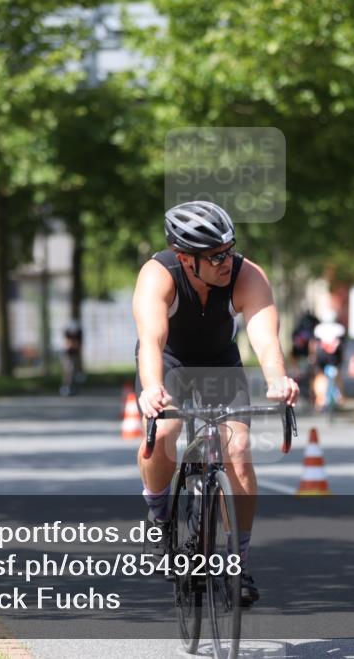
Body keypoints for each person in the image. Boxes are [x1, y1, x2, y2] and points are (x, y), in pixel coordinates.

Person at [132, 200, 299, 606]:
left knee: (238, 450)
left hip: (220, 364)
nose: (227, 261)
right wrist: (152, 388)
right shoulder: (159, 275)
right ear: (187, 259)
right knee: (167, 430)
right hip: (170, 361)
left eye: (229, 250)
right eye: (215, 256)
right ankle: (160, 518)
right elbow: (152, 339)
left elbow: (264, 338)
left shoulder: (247, 275)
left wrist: (278, 379)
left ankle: (237, 562)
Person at [310, 310, 346, 411]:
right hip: (335, 357)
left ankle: (320, 399)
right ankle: (340, 397)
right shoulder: (340, 329)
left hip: (321, 356)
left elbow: (314, 345)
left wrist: (312, 356)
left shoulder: (318, 329)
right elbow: (343, 345)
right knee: (337, 374)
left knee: (320, 375)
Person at [61, 319, 83, 396]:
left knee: (75, 370)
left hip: (75, 354)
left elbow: (77, 346)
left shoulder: (78, 336)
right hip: (68, 354)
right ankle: (66, 387)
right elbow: (68, 345)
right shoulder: (68, 335)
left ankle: (73, 386)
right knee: (69, 370)